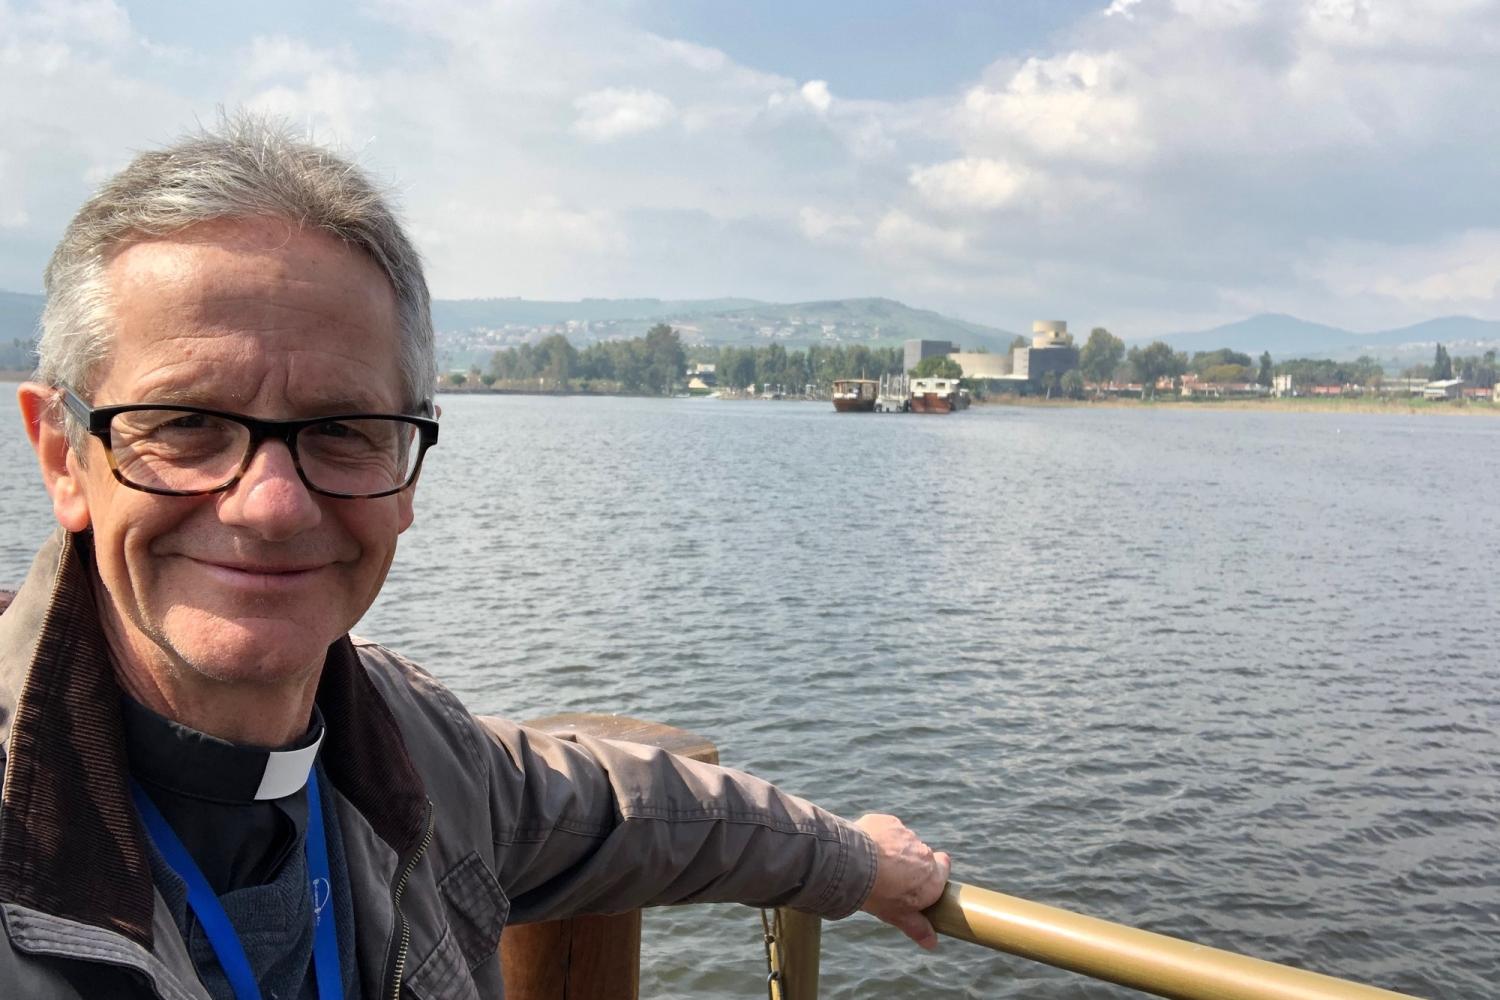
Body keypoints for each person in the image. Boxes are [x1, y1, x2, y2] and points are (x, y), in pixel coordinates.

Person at [0, 115, 950, 999]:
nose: (273, 504)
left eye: (342, 429)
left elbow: (644, 812)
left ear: (408, 471)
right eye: (187, 424)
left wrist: (858, 863)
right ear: (64, 458)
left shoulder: (418, 758)